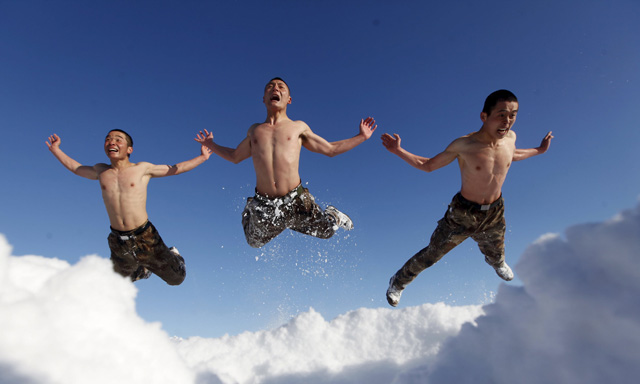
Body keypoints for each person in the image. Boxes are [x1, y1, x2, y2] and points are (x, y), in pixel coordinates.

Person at [381, 89, 553, 307]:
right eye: (501, 114)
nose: (507, 121)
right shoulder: (465, 145)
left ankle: (497, 263)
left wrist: (539, 150)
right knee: (432, 254)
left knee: (497, 251)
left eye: (513, 115)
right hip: (463, 214)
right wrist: (398, 151)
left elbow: (513, 154)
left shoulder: (511, 138)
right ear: (484, 116)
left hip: (494, 211)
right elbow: (428, 165)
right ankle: (398, 282)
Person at [195, 77, 376, 248]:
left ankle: (332, 215)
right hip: (265, 205)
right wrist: (211, 145)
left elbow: (330, 149)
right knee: (254, 242)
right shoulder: (255, 130)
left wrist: (361, 137)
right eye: (270, 87)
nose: (275, 88)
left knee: (327, 232)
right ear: (264, 99)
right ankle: (252, 209)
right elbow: (235, 156)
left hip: (295, 200)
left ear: (289, 99)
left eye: (281, 87)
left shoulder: (298, 127)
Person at [46, 130, 211, 285]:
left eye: (118, 140)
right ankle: (143, 270)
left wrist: (202, 157)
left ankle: (174, 255)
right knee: (118, 283)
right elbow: (76, 168)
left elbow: (175, 169)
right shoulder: (101, 170)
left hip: (144, 236)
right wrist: (56, 150)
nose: (112, 142)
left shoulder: (142, 169)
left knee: (176, 279)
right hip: (118, 238)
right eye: (108, 139)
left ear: (129, 149)